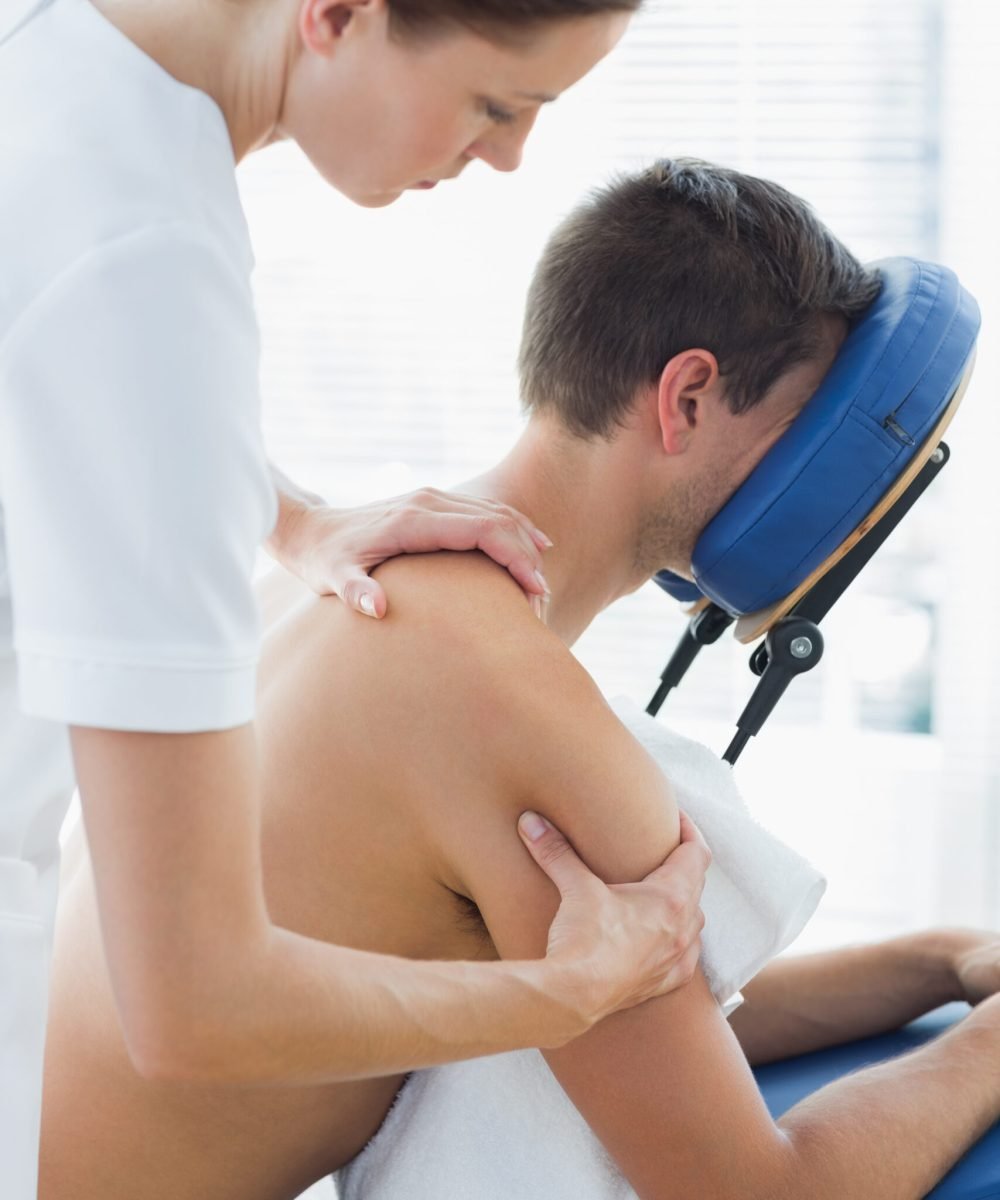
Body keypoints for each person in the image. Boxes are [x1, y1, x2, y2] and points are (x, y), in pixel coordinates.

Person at [40, 158, 1000, 1199]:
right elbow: (758, 1194)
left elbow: (645, 1030)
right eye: (806, 427)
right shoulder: (506, 698)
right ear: (685, 397)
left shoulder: (347, 584)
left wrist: (938, 959)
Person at [0, 1, 715, 1196]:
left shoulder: (54, 49)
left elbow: (49, 350)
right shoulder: (149, 266)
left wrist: (282, 509)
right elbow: (196, 1006)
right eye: (497, 104)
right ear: (337, 13)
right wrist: (569, 991)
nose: (508, 157)